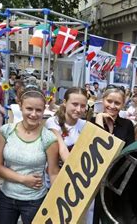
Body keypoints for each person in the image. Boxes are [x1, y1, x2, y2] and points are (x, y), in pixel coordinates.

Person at [0, 87, 60, 224]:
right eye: (29, 109)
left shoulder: (48, 138)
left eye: (39, 110)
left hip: (34, 201)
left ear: (44, 111)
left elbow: (53, 172)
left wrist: (56, 203)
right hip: (6, 198)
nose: (34, 114)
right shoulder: (6, 131)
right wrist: (23, 179)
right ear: (20, 107)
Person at [44, 87, 93, 223]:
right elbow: (62, 149)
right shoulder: (52, 122)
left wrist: (99, 118)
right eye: (75, 104)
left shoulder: (85, 125)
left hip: (76, 183)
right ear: (65, 102)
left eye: (83, 106)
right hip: (55, 179)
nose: (79, 109)